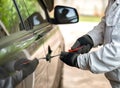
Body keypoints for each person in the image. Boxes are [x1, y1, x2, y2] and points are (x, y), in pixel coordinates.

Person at [60, 0, 120, 88]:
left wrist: (79, 60)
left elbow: (116, 53)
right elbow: (107, 22)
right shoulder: (113, 1)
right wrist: (90, 38)